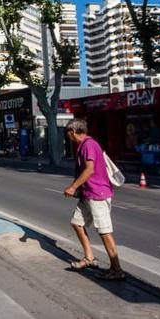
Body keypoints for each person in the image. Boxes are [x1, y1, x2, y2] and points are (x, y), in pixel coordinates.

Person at [63, 118, 125, 280]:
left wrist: (73, 186)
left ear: (73, 132)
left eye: (68, 133)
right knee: (77, 223)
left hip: (98, 194)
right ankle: (89, 258)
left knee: (104, 231)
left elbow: (89, 169)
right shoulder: (83, 145)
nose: (68, 137)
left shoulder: (89, 145)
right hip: (88, 193)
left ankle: (116, 269)